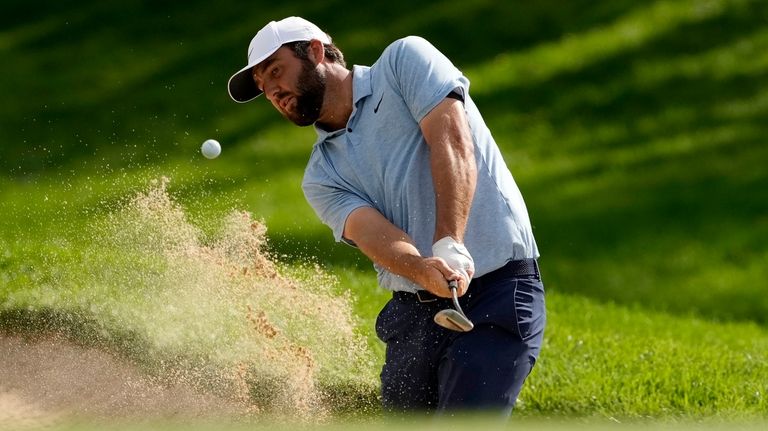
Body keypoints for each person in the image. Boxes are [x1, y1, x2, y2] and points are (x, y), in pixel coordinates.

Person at [228, 16, 546, 417]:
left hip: (496, 292)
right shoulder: (321, 174)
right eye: (263, 86)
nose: (273, 92)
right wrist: (422, 267)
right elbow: (370, 233)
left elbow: (451, 140)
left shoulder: (403, 62)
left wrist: (450, 241)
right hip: (414, 314)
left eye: (276, 71)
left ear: (315, 50)